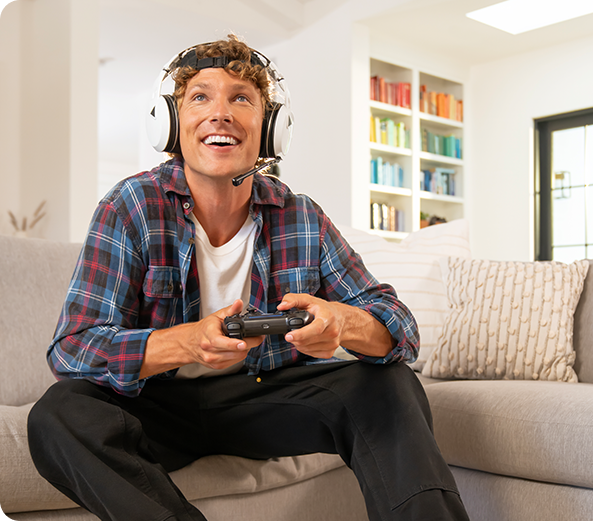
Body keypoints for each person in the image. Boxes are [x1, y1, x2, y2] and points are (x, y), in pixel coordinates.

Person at [27, 33, 469, 521]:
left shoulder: (301, 216)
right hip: (156, 403)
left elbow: (399, 328)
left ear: (270, 130)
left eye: (241, 98)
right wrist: (187, 343)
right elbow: (73, 349)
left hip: (262, 397)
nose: (221, 113)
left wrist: (342, 323)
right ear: (171, 124)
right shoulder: (130, 206)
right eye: (200, 97)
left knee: (390, 386)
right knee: (58, 415)